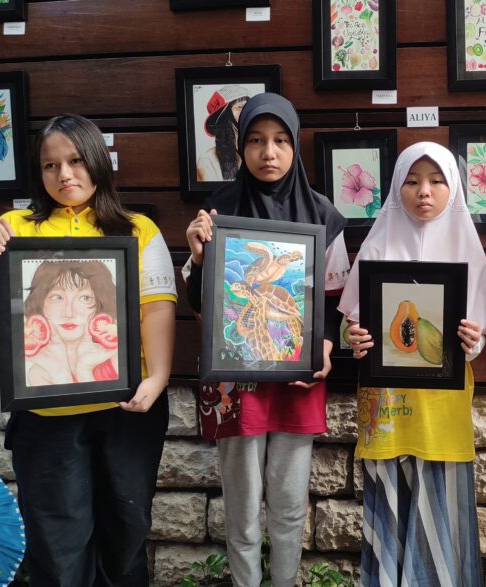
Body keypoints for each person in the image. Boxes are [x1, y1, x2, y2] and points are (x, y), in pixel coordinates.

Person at [0, 114, 178, 586]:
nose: (64, 174)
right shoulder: (12, 228)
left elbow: (157, 309)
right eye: (50, 165)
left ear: (98, 161)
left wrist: (158, 377)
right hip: (47, 418)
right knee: (57, 546)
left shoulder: (139, 229)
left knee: (126, 532)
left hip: (127, 411)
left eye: (76, 160)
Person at [183, 93, 348, 587]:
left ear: (295, 145)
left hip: (298, 378)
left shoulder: (324, 215)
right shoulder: (217, 212)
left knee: (290, 502)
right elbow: (201, 305)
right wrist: (198, 256)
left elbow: (337, 302)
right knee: (242, 504)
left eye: (280, 141)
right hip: (237, 379)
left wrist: (324, 348)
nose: (268, 152)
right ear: (241, 147)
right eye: (255, 140)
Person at [338, 142, 486, 586]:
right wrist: (354, 340)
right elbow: (353, 327)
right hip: (388, 405)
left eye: (436, 181)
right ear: (396, 188)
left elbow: (478, 335)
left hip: (441, 409)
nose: (423, 191)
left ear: (454, 189)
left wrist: (472, 344)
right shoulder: (376, 247)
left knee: (439, 507)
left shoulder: (468, 249)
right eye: (411, 181)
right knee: (390, 504)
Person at [22, 260, 120, 386]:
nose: (69, 313)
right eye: (57, 297)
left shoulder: (115, 358)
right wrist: (60, 373)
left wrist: (84, 370)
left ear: (101, 303)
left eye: (85, 298)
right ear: (39, 303)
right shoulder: (39, 374)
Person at [196, 85, 251, 182]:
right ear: (226, 116)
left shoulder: (254, 149)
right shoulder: (207, 161)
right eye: (239, 107)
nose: (246, 111)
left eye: (247, 106)